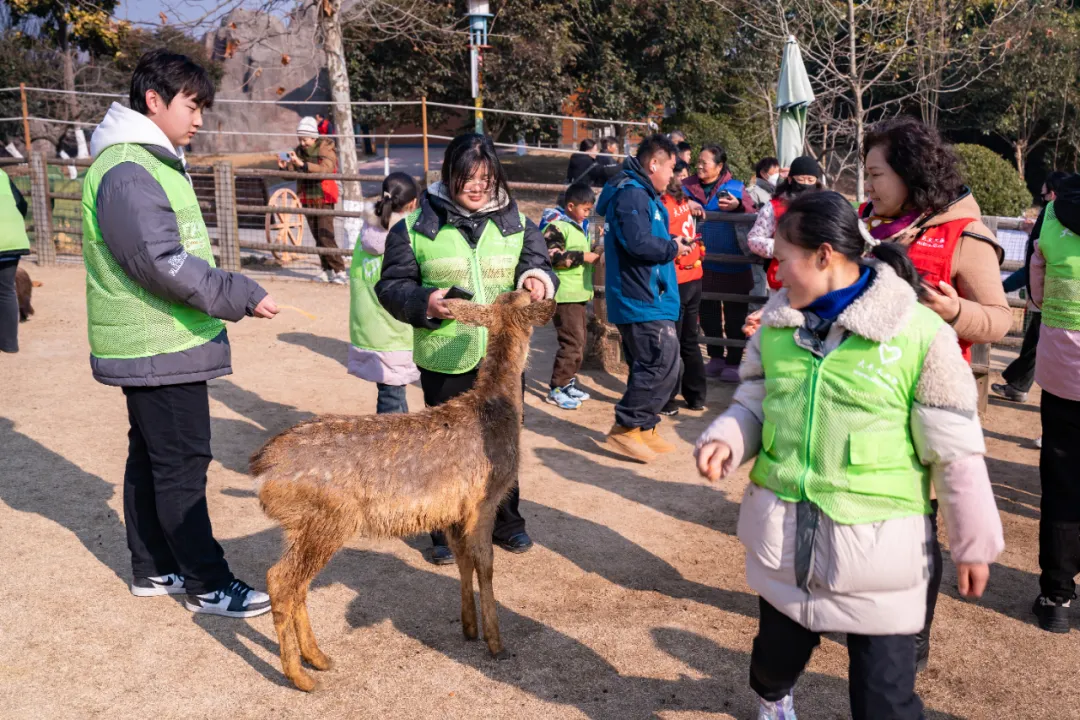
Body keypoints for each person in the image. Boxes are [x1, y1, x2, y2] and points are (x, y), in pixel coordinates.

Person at [695, 191, 1003, 720]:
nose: (776, 274)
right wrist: (728, 436)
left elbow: (954, 450)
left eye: (783, 259)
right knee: (775, 660)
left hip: (883, 555)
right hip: (786, 543)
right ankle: (772, 694)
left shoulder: (919, 335)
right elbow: (754, 400)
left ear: (823, 255)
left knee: (885, 703)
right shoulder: (777, 324)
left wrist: (974, 543)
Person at [82, 49, 279, 617]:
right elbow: (161, 260)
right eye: (192, 106)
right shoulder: (128, 169)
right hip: (158, 342)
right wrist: (239, 293)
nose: (198, 120)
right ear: (154, 101)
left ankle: (155, 568)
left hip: (152, 343)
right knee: (182, 464)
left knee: (151, 458)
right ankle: (208, 582)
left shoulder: (143, 161)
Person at [861, 117, 1009, 669]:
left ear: (909, 172)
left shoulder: (964, 234)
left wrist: (954, 311)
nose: (869, 186)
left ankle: (913, 633)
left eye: (877, 174)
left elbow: (999, 320)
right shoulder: (869, 225)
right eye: (867, 174)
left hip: (925, 401)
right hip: (864, 395)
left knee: (916, 522)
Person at [376, 133, 557, 565]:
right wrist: (427, 302)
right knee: (444, 448)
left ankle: (506, 522)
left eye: (486, 177)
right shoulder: (415, 228)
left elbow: (539, 264)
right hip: (445, 354)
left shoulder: (518, 224)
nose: (477, 186)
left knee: (503, 442)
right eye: (467, 178)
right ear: (449, 176)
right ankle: (444, 529)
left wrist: (536, 280)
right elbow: (391, 286)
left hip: (504, 357)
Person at [596, 133, 690, 463]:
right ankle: (627, 427)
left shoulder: (642, 196)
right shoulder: (632, 195)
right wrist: (672, 248)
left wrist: (670, 240)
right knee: (659, 360)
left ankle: (645, 426)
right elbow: (638, 244)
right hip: (640, 296)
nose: (674, 175)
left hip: (650, 295)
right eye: (671, 168)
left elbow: (644, 237)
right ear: (654, 164)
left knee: (664, 362)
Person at [1029, 173, 1080, 634]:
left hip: (1064, 371)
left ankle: (1056, 598)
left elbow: (1038, 293)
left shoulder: (1051, 214)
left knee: (1062, 483)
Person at [993, 171, 1071, 406]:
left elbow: (1032, 268)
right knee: (1034, 344)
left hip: (1051, 301)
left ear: (1053, 195)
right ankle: (1018, 385)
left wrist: (1002, 287)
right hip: (1055, 301)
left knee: (1040, 348)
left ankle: (1019, 386)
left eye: (1043, 196)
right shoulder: (1061, 226)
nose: (1041, 201)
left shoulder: (1054, 223)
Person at [349, 172, 421, 414]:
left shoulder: (367, 229)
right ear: (413, 204)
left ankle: (403, 443)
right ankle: (389, 449)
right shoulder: (405, 237)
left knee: (393, 389)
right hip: (395, 330)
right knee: (391, 397)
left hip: (368, 325)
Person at [683, 144, 753, 382]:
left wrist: (739, 207)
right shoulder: (686, 187)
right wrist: (686, 204)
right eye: (698, 162)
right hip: (701, 261)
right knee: (708, 311)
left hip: (735, 262)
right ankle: (715, 358)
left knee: (736, 314)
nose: (699, 166)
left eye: (705, 162)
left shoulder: (737, 188)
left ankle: (734, 361)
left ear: (720, 166)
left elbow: (754, 212)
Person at [539, 182, 600, 410]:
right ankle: (557, 387)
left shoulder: (581, 227)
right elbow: (553, 257)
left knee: (578, 341)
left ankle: (567, 382)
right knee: (571, 343)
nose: (588, 214)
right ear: (571, 206)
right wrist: (583, 256)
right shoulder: (556, 227)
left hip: (578, 294)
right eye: (585, 209)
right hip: (565, 295)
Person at [660, 159, 707, 416]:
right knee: (689, 339)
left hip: (676, 279)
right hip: (693, 275)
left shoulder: (664, 203)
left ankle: (668, 399)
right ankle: (696, 396)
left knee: (672, 341)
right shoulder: (682, 200)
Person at [747, 156, 825, 294]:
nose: (806, 184)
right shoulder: (773, 207)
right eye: (800, 179)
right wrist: (781, 248)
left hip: (817, 279)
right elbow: (754, 239)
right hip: (782, 283)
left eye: (810, 180)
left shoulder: (826, 207)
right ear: (790, 179)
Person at [280, 116, 344, 284]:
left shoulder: (326, 148)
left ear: (314, 137)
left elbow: (326, 169)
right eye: (300, 139)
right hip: (307, 197)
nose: (302, 143)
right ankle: (327, 269)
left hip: (324, 196)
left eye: (305, 139)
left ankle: (339, 270)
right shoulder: (300, 152)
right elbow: (292, 171)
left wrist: (303, 165)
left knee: (326, 236)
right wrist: (285, 166)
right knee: (317, 236)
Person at [0, 169, 29, 353]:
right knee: (6, 291)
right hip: (13, 239)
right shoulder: (2, 175)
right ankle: (10, 344)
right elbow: (21, 204)